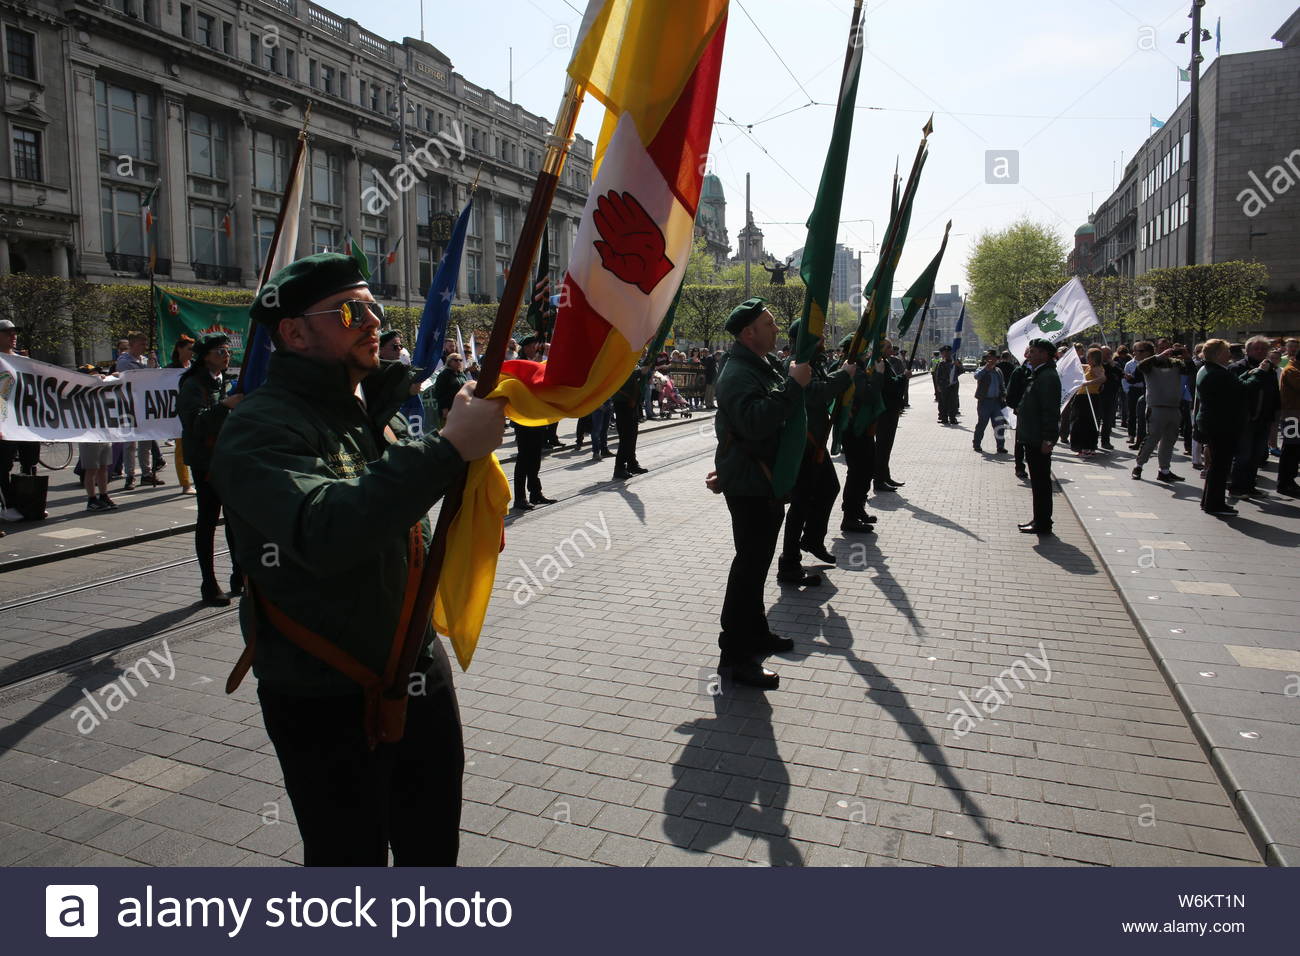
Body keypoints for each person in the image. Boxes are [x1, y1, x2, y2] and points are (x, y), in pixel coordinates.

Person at [210, 252, 506, 866]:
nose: (372, 320)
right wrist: (447, 448)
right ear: (293, 332)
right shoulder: (260, 429)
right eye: (351, 310)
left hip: (417, 673)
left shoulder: (372, 412)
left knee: (432, 854)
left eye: (372, 306)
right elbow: (325, 528)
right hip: (324, 696)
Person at [705, 297, 811, 690]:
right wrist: (793, 389)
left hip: (760, 481)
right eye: (769, 323)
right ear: (749, 333)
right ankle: (733, 656)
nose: (776, 328)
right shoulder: (737, 373)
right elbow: (753, 423)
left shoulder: (758, 366)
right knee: (748, 569)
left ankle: (757, 633)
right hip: (750, 486)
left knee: (757, 565)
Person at [777, 319, 852, 586]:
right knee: (800, 502)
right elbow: (815, 394)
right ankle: (789, 563)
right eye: (818, 337)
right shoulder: (796, 364)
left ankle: (811, 539)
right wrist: (843, 376)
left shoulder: (813, 362)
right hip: (803, 444)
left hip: (815, 442)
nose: (823, 340)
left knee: (828, 488)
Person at [178, 333, 245, 606]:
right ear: (205, 355)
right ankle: (209, 582)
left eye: (228, 351)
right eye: (220, 351)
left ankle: (239, 572)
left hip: (227, 459)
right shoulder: (193, 385)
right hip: (206, 462)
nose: (226, 355)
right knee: (207, 521)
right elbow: (194, 423)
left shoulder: (224, 382)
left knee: (235, 521)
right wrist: (225, 406)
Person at [1195, 339, 1273, 516]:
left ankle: (1209, 501)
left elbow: (1236, 383)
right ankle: (1215, 504)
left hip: (1214, 423)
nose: (1229, 354)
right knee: (1220, 467)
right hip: (1221, 424)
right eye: (1225, 351)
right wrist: (1260, 373)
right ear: (1217, 354)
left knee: (1216, 466)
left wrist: (1251, 373)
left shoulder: (1210, 369)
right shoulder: (1217, 373)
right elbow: (1243, 389)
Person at [1227, 335, 1282, 497]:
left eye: (1263, 349)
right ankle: (1236, 487)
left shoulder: (1270, 369)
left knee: (1256, 455)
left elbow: (1274, 394)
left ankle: (1250, 486)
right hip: (1245, 419)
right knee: (1243, 455)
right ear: (1248, 350)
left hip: (1263, 419)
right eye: (1256, 348)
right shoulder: (1237, 367)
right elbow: (1238, 391)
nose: (1260, 351)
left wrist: (1275, 416)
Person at [1015, 338, 1060, 535]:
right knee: (1038, 482)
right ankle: (1039, 519)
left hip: (1038, 438)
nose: (1029, 355)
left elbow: (1050, 411)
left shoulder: (1047, 376)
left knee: (1041, 482)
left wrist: (1049, 439)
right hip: (1032, 436)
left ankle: (1043, 522)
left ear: (1043, 354)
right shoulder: (1039, 374)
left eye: (1033, 352)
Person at [508, 335, 555, 510]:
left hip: (536, 416)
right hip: (523, 418)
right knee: (523, 458)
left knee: (535, 457)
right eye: (534, 345)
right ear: (527, 347)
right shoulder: (519, 363)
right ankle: (520, 498)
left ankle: (535, 493)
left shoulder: (536, 362)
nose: (537, 347)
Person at [0, 319, 40, 522]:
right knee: (3, 465)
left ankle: (30, 501)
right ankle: (7, 505)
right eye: (8, 333)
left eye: (14, 333)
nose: (13, 337)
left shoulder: (20, 360)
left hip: (25, 422)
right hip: (4, 423)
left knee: (29, 461)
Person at [1132, 345, 1190, 482]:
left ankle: (1164, 470)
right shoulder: (1149, 366)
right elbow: (1140, 367)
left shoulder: (1177, 364)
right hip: (1156, 407)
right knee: (1152, 438)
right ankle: (1138, 466)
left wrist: (1187, 357)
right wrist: (1159, 356)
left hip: (1174, 407)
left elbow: (1191, 369)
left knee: (1169, 440)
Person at [116, 331, 165, 490]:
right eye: (141, 344)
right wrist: (149, 368)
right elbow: (137, 377)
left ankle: (146, 473)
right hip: (129, 405)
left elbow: (157, 376)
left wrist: (153, 364)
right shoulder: (124, 361)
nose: (144, 347)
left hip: (145, 405)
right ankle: (130, 475)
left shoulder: (145, 360)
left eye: (145, 344)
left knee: (147, 441)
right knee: (130, 443)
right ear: (132, 345)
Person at [75, 365, 117, 513]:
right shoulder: (81, 394)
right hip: (89, 435)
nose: (98, 376)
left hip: (104, 433)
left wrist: (115, 378)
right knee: (91, 469)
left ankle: (103, 495)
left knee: (104, 467)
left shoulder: (101, 393)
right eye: (92, 375)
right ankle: (91, 499)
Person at [873, 339, 908, 492]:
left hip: (891, 409)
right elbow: (888, 386)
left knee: (887, 446)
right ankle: (878, 480)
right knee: (882, 445)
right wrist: (903, 377)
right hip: (885, 411)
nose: (891, 350)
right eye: (888, 347)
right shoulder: (879, 363)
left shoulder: (887, 362)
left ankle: (885, 476)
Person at [167, 335, 196, 494]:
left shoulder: (195, 367)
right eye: (189, 349)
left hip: (194, 411)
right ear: (179, 349)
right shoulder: (169, 369)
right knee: (181, 448)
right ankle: (185, 483)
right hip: (177, 413)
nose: (192, 352)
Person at [612, 364, 648, 480]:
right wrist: (639, 372)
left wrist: (646, 371)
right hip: (623, 403)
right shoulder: (619, 361)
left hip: (633, 401)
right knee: (625, 437)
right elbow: (623, 377)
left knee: (632, 436)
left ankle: (632, 464)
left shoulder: (632, 362)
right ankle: (619, 468)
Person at [1069, 347, 1105, 458]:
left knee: (1084, 423)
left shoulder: (1097, 368)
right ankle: (1087, 447)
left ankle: (1086, 447)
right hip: (1083, 397)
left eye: (1088, 356)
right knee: (1083, 422)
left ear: (1094, 358)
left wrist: (1087, 383)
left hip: (1089, 398)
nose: (1086, 358)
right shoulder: (1090, 367)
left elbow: (1103, 379)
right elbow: (1079, 365)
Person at [972, 350, 1007, 454]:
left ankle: (1000, 446)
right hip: (984, 402)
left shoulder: (998, 370)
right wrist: (985, 369)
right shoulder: (981, 369)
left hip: (996, 402)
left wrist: (1004, 393)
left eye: (994, 358)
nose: (991, 360)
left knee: (999, 425)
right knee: (982, 424)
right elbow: (976, 376)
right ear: (986, 359)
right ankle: (977, 444)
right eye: (989, 358)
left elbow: (1002, 384)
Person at [1005, 348, 1033, 481]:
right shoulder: (1020, 371)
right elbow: (1011, 392)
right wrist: (1016, 406)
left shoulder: (1043, 371)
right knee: (1021, 440)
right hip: (1022, 412)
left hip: (1038, 413)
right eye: (1030, 353)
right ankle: (1020, 467)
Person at [1277, 338, 1300, 496]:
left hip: (1295, 415)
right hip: (1292, 416)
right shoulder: (1292, 370)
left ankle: (1289, 480)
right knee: (1291, 449)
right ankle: (1285, 482)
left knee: (1294, 449)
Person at [1123, 342, 1150, 449]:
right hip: (1144, 394)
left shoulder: (1157, 363)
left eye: (1140, 351)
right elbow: (1136, 379)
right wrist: (1129, 378)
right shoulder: (1139, 366)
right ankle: (1139, 440)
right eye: (1136, 351)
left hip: (1158, 395)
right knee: (1139, 416)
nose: (1136, 353)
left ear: (1147, 352)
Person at [432, 352, 467, 428]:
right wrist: (444, 408)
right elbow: (438, 393)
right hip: (449, 409)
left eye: (461, 360)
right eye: (456, 360)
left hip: (461, 408)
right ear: (449, 362)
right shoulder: (444, 375)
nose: (459, 362)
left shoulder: (462, 374)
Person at [932, 344, 962, 424]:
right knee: (943, 402)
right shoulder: (941, 363)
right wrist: (937, 386)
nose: (946, 354)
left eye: (948, 352)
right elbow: (937, 375)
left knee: (953, 402)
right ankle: (944, 418)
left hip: (953, 385)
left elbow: (962, 371)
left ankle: (952, 418)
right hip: (943, 385)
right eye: (944, 353)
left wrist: (957, 365)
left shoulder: (955, 361)